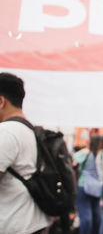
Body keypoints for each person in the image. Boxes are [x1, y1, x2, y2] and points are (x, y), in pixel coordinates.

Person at [0, 72, 52, 234]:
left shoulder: (6, 132)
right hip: (35, 223)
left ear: (1, 101)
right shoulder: (32, 131)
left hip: (14, 224)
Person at [74, 134, 102, 234]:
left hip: (83, 185)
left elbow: (73, 159)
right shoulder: (101, 154)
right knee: (96, 215)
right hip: (97, 188)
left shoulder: (86, 153)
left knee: (86, 217)